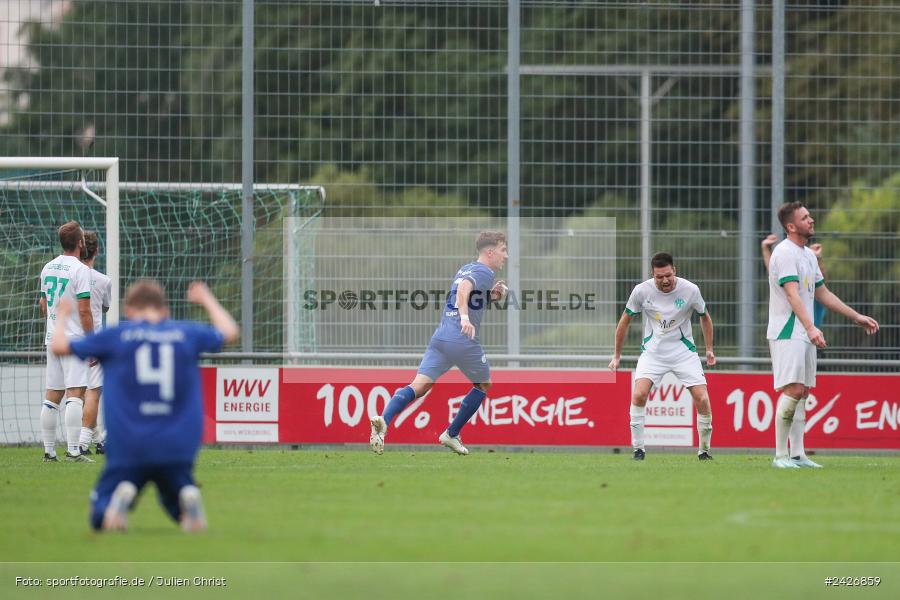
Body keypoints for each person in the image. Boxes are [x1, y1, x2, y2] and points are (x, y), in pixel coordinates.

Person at [50, 279, 238, 532]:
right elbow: (229, 332)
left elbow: (59, 347)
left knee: (99, 516)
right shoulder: (185, 333)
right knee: (174, 491)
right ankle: (186, 497)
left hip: (129, 442)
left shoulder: (115, 336)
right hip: (178, 443)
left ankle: (118, 500)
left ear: (129, 311)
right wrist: (206, 299)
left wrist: (63, 314)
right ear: (165, 311)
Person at [369, 231, 508, 455]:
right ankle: (452, 434)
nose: (506, 255)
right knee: (483, 385)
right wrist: (465, 319)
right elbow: (463, 290)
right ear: (490, 252)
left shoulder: (466, 268)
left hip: (441, 337)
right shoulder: (484, 271)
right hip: (462, 339)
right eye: (503, 250)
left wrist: (491, 296)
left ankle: (384, 420)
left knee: (420, 386)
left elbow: (466, 295)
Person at [767, 202, 878, 468]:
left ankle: (798, 455)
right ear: (791, 226)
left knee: (803, 391)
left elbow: (822, 292)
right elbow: (792, 294)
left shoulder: (807, 255)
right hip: (788, 331)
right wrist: (810, 327)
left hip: (803, 331)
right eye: (805, 218)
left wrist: (856, 316)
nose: (811, 220)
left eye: (809, 216)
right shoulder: (784, 252)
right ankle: (780, 456)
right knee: (793, 389)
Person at [609, 252, 716, 461]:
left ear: (674, 270)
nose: (665, 280)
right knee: (639, 395)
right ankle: (638, 450)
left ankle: (704, 451)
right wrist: (617, 355)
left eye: (668, 275)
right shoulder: (641, 291)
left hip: (684, 353)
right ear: (653, 275)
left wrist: (709, 349)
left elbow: (705, 317)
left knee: (702, 398)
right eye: (659, 277)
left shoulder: (690, 290)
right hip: (653, 353)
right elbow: (624, 321)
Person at [39, 221, 94, 462]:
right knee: (75, 393)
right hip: (74, 340)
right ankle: (73, 451)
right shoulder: (80, 270)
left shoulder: (48, 267)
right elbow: (84, 310)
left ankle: (49, 452)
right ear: (80, 242)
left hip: (53, 338)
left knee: (52, 394)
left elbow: (43, 305)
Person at [78, 231, 112, 456]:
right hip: (93, 340)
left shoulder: (70, 275)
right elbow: (105, 307)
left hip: (70, 338)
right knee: (93, 392)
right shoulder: (103, 280)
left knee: (75, 392)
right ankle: (82, 443)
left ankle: (96, 439)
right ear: (97, 251)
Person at [762, 234, 827, 328]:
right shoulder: (793, 286)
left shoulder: (813, 291)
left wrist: (814, 257)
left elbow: (821, 278)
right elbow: (775, 274)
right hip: (795, 331)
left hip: (809, 332)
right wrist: (765, 248)